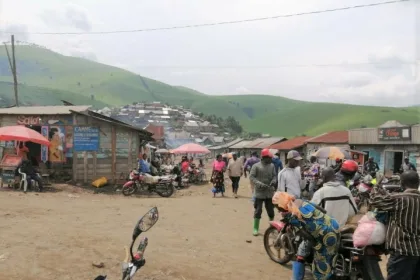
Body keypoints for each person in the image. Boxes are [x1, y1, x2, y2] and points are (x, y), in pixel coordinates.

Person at [272, 192, 340, 280]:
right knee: (331, 259)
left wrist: (316, 245)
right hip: (333, 225)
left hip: (324, 237)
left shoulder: (293, 216)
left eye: (278, 208)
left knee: (321, 268)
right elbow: (323, 210)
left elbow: (306, 235)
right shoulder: (301, 201)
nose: (278, 210)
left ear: (282, 207)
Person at [370, 171, 420, 279]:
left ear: (401, 184)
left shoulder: (399, 199)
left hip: (402, 251)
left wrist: (376, 185)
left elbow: (375, 200)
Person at [249, 149, 277, 236]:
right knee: (258, 210)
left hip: (269, 192)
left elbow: (274, 176)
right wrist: (259, 184)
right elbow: (252, 177)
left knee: (271, 211)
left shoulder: (272, 166)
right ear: (264, 157)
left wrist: (273, 181)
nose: (271, 159)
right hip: (259, 192)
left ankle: (271, 228)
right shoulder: (256, 166)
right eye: (269, 158)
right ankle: (255, 228)